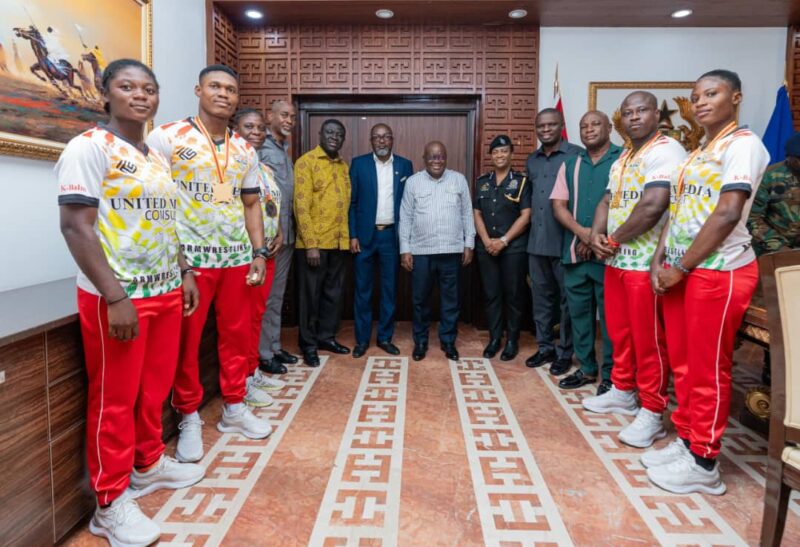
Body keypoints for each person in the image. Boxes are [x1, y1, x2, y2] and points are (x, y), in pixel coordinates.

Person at [57, 59, 204, 546]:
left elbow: (169, 222)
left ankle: (147, 464)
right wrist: (114, 296)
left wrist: (184, 272)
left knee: (153, 388)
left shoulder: (156, 156)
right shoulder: (88, 148)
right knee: (114, 400)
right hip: (119, 298)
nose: (140, 95)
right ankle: (110, 501)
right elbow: (76, 226)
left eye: (149, 88)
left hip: (164, 289)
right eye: (127, 87)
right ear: (107, 93)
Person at [645, 70, 769, 495]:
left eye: (710, 94)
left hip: (719, 270)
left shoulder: (743, 145)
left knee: (708, 368)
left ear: (736, 96)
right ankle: (686, 439)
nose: (699, 102)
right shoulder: (699, 152)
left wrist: (681, 268)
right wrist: (662, 258)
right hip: (683, 270)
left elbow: (728, 213)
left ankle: (704, 462)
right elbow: (678, 215)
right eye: (695, 96)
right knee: (683, 364)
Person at [147, 64, 272, 465]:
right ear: (198, 90)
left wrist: (258, 253)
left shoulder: (244, 150)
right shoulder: (166, 138)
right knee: (187, 344)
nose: (224, 94)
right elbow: (157, 206)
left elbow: (250, 204)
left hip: (235, 258)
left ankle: (234, 407)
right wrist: (180, 264)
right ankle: (188, 417)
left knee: (236, 337)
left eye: (231, 89)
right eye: (215, 87)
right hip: (191, 262)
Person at [581, 91, 687, 449]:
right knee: (620, 332)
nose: (634, 117)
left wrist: (612, 240)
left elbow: (653, 206)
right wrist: (597, 232)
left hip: (646, 264)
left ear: (656, 114)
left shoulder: (666, 150)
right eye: (627, 112)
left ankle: (653, 412)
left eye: (642, 111)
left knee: (650, 341)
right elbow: (608, 200)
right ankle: (623, 389)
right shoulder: (625, 155)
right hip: (617, 262)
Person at [550, 111, 621, 394]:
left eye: (595, 124)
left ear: (609, 128)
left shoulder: (623, 160)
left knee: (612, 318)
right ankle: (588, 369)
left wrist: (596, 239)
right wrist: (583, 234)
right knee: (579, 315)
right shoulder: (570, 163)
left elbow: (630, 206)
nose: (589, 129)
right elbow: (558, 206)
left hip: (610, 254)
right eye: (583, 126)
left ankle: (613, 376)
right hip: (575, 253)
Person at [399, 141, 476, 361]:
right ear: (424, 159)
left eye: (441, 156)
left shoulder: (458, 179)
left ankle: (448, 341)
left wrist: (468, 244)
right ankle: (421, 341)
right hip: (421, 252)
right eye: (432, 157)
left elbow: (466, 214)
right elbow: (405, 218)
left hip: (451, 251)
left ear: (446, 158)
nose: (437, 161)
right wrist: (405, 250)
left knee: (450, 300)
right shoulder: (413, 183)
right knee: (420, 300)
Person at [232, 108, 287, 407]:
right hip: (244, 254)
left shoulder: (263, 169)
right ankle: (242, 382)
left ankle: (253, 372)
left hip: (266, 252)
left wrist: (277, 232)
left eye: (260, 127)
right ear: (235, 129)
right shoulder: (231, 164)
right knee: (242, 322)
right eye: (248, 127)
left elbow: (268, 206)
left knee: (256, 316)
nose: (256, 132)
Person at [349, 123, 414, 358]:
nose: (382, 141)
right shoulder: (359, 164)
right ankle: (362, 340)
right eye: (377, 137)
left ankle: (385, 338)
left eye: (386, 137)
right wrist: (353, 234)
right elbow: (352, 203)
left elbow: (409, 205)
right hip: (365, 238)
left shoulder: (405, 165)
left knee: (389, 289)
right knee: (362, 290)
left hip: (391, 237)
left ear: (392, 139)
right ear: (371, 140)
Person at [525, 108, 583, 374]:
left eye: (551, 125)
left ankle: (564, 352)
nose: (545, 130)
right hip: (536, 242)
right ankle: (545, 347)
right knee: (541, 300)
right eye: (541, 126)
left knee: (566, 302)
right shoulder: (532, 160)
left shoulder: (576, 155)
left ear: (561, 125)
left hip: (564, 241)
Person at [294, 119, 352, 367]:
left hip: (338, 243)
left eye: (339, 134)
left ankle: (326, 337)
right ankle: (308, 345)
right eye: (329, 132)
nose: (334, 137)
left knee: (333, 294)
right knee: (310, 297)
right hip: (313, 245)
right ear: (320, 134)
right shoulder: (306, 162)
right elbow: (300, 205)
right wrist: (311, 244)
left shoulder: (343, 166)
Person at [473, 135, 531, 360]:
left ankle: (512, 341)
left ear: (511, 154)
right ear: (491, 155)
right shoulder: (482, 181)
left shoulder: (522, 181)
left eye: (504, 151)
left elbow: (526, 216)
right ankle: (495, 338)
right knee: (491, 295)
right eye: (495, 152)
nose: (499, 155)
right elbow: (476, 213)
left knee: (514, 295)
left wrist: (504, 240)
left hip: (513, 248)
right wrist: (487, 241)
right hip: (487, 248)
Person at [257, 99, 299, 374]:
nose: (289, 121)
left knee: (277, 296)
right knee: (265, 297)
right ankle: (262, 354)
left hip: (286, 235)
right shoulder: (260, 147)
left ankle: (273, 346)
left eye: (292, 117)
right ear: (269, 115)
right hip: (268, 237)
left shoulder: (282, 149)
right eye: (284, 115)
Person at [747, 132, 800, 255]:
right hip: (774, 250)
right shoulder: (768, 177)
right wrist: (779, 248)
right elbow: (752, 219)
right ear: (789, 158)